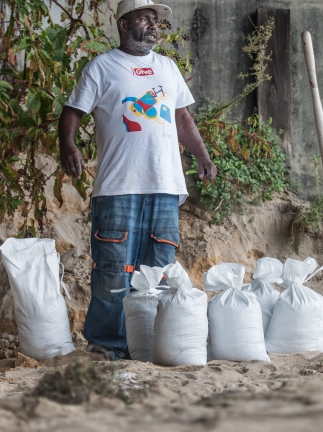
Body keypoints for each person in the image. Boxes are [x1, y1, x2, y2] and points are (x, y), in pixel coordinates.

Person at [58, 0, 217, 360]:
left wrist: (202, 155)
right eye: (145, 18)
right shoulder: (102, 67)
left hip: (165, 185)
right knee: (115, 270)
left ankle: (150, 344)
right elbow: (73, 111)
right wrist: (68, 144)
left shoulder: (167, 67)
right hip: (118, 186)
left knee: (158, 269)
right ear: (124, 23)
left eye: (157, 20)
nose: (154, 25)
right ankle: (108, 346)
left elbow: (182, 120)